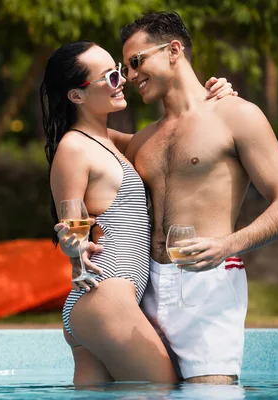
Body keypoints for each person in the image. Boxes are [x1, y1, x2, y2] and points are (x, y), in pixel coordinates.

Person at [58, 12, 278, 385]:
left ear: (174, 50)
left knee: (209, 394)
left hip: (206, 284)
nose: (129, 76)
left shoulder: (237, 115)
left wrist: (226, 245)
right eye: (123, 68)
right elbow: (83, 132)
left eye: (136, 62)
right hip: (146, 290)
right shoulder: (141, 141)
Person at [42, 40, 236, 386]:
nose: (123, 79)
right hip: (106, 296)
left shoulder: (107, 141)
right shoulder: (74, 148)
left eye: (119, 70)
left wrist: (211, 100)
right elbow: (71, 225)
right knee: (165, 392)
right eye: (111, 77)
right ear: (77, 96)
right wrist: (74, 246)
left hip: (101, 303)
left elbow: (173, 141)